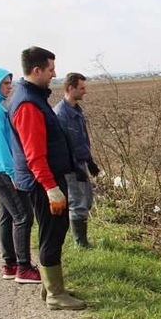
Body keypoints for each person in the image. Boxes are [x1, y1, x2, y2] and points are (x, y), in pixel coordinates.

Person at [8, 47, 85, 310]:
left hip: (45, 179)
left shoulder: (32, 97)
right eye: (51, 69)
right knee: (53, 233)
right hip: (44, 182)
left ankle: (50, 288)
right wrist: (51, 187)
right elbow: (34, 153)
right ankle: (55, 295)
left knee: (51, 232)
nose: (55, 74)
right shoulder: (28, 103)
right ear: (36, 70)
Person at [0, 67, 40, 283]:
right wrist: (13, 173)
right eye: (5, 83)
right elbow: (2, 146)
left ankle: (10, 265)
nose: (9, 87)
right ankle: (23, 268)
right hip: (3, 170)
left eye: (10, 82)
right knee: (23, 216)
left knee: (7, 215)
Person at [55, 73, 99, 248]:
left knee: (87, 200)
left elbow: (81, 140)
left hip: (81, 163)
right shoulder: (60, 114)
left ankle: (81, 239)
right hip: (70, 167)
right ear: (70, 89)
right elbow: (62, 146)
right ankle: (80, 243)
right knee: (78, 202)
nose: (85, 91)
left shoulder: (77, 111)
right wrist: (74, 166)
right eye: (82, 88)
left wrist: (89, 161)